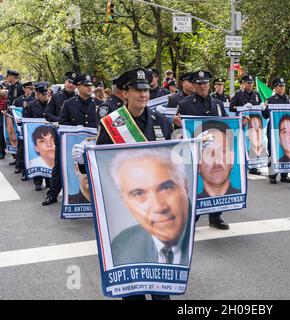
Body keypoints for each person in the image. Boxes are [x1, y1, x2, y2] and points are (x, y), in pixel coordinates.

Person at [73, 67, 173, 301]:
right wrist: (84, 161)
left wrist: (195, 150)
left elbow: (173, 161)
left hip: (158, 211)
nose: (143, 94)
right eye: (137, 90)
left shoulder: (162, 122)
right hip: (126, 210)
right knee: (132, 278)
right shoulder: (112, 124)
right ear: (124, 93)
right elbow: (101, 165)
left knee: (161, 281)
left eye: (146, 89)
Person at [109, 148, 191, 266]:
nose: (158, 207)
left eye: (166, 188)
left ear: (185, 186)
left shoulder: (202, 242)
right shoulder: (122, 244)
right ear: (125, 203)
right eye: (139, 194)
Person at [173, 70, 230, 230]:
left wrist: (240, 124)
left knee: (216, 184)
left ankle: (215, 217)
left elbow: (227, 124)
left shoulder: (218, 104)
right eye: (198, 83)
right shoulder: (184, 104)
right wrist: (177, 124)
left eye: (205, 83)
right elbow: (177, 131)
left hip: (215, 153)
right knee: (194, 184)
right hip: (195, 153)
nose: (202, 86)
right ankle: (192, 218)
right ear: (193, 85)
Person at [42, 74, 101, 206]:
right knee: (60, 166)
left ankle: (96, 199)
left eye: (90, 85)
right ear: (78, 87)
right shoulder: (68, 104)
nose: (89, 88)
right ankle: (52, 195)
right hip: (71, 143)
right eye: (86, 85)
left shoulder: (98, 103)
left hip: (92, 143)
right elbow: (63, 123)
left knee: (93, 169)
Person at [197, 120, 240, 199]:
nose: (216, 161)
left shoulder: (239, 194)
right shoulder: (189, 204)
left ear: (232, 158)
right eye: (208, 153)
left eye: (222, 151)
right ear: (197, 164)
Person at [263, 77, 290, 184]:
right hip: (274, 129)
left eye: (283, 86)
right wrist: (264, 108)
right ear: (275, 87)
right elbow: (265, 116)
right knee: (273, 151)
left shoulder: (289, 99)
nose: (282, 88)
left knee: (285, 150)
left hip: (287, 129)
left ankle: (284, 175)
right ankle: (272, 174)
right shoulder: (270, 100)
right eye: (280, 86)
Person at [229, 74, 261, 175]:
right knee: (242, 144)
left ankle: (253, 167)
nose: (250, 85)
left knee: (254, 144)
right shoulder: (239, 94)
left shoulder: (256, 94)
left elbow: (260, 105)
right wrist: (242, 107)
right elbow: (231, 107)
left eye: (251, 83)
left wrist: (262, 106)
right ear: (243, 84)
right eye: (248, 83)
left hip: (254, 123)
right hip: (242, 123)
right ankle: (242, 165)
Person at [12, 81, 35, 176]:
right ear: (24, 89)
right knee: (21, 146)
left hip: (33, 127)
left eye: (32, 88)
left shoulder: (34, 99)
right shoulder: (18, 100)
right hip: (21, 127)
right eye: (29, 88)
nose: (31, 90)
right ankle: (19, 166)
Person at [29, 125, 55, 191]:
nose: (49, 144)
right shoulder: (32, 163)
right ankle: (38, 181)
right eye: (42, 141)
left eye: (53, 140)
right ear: (36, 147)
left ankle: (50, 183)